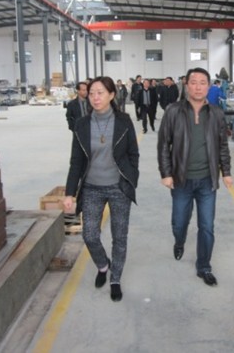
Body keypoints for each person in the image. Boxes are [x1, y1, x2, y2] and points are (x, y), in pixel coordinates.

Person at [63, 76, 139, 302]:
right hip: (91, 188)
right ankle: (103, 264)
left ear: (111, 95)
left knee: (119, 236)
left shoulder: (124, 121)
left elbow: (133, 153)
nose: (95, 97)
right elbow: (76, 161)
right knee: (89, 235)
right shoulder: (82, 124)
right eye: (92, 93)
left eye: (100, 93)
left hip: (119, 187)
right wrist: (69, 193)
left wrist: (132, 178)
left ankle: (115, 278)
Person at [157, 67, 233, 287]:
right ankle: (179, 242)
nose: (198, 87)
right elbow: (164, 144)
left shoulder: (217, 113)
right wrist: (166, 173)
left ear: (209, 86)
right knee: (179, 222)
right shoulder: (173, 111)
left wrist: (226, 172)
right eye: (194, 82)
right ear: (187, 85)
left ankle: (204, 266)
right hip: (181, 179)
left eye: (202, 82)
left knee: (207, 226)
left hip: (207, 180)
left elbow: (222, 146)